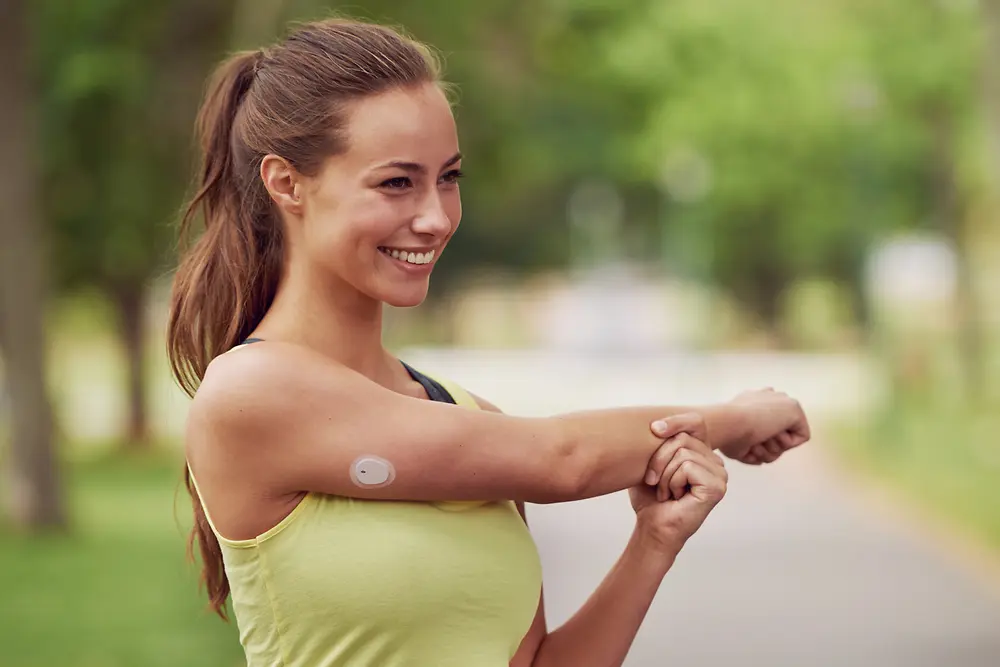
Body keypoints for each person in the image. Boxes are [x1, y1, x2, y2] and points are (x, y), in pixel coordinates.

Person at [167, 17, 810, 667]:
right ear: (286, 183)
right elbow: (565, 459)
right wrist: (735, 419)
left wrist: (653, 542)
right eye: (397, 182)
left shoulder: (469, 420)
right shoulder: (251, 392)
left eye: (448, 178)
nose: (436, 216)